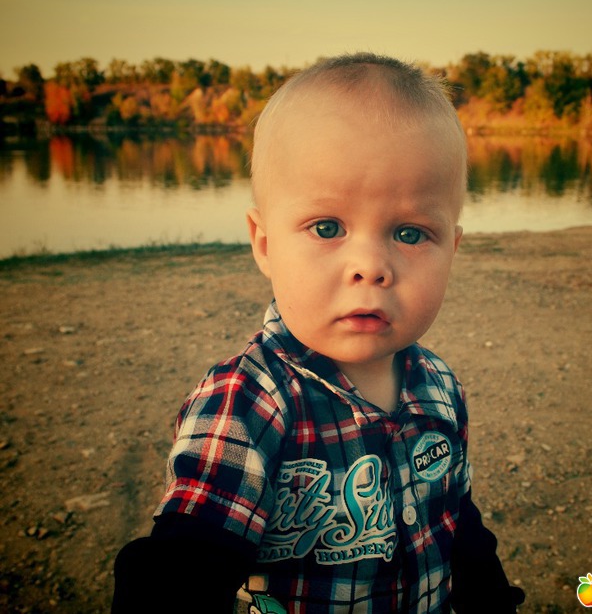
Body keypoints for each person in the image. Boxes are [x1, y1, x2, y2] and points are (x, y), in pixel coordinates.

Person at [112, 52, 525, 613]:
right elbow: (185, 562)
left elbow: (458, 525)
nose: (370, 266)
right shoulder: (248, 401)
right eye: (327, 227)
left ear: (452, 249)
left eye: (410, 233)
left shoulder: (440, 388)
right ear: (264, 244)